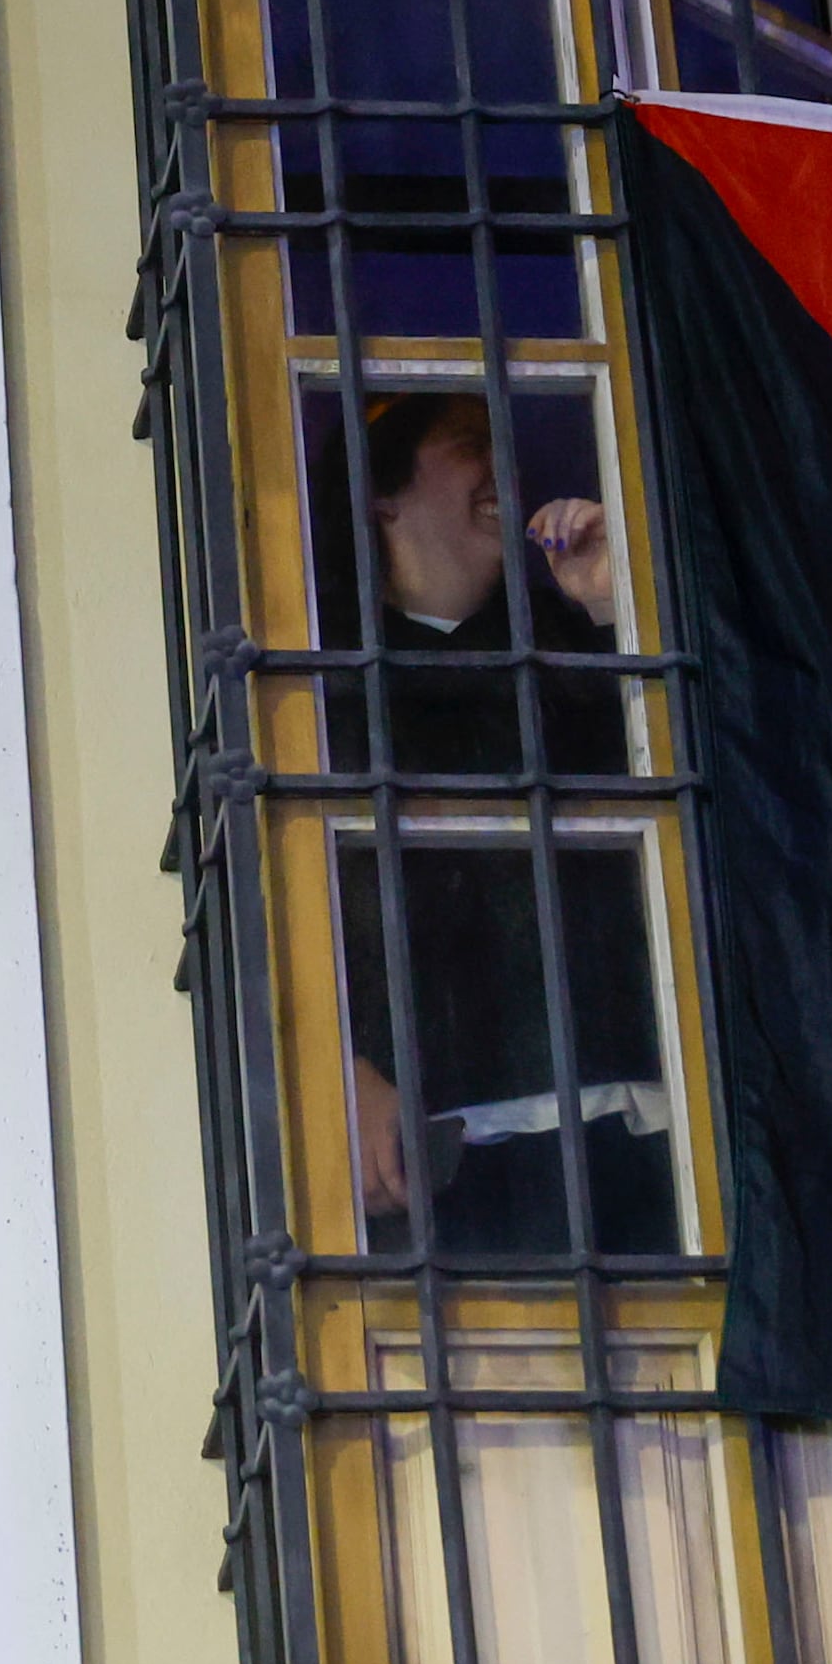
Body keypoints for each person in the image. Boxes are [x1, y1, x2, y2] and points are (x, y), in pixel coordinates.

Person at [330, 389, 678, 1264]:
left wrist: (610, 609)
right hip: (449, 1145)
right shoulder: (326, 683)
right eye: (466, 442)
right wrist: (343, 1061)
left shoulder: (566, 636)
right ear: (381, 493)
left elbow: (679, 795)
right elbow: (299, 894)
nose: (501, 466)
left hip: (637, 1117)